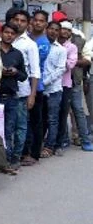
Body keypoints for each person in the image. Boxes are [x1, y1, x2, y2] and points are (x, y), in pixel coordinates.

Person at [6, 9, 41, 167]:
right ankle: (5, 157)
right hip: (5, 91)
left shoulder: (30, 45)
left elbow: (35, 72)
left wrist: (32, 95)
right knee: (6, 126)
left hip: (22, 91)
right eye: (16, 20)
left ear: (28, 24)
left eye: (22, 21)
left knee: (20, 127)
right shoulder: (6, 39)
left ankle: (17, 157)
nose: (18, 23)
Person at [0, 22, 28, 175]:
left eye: (12, 33)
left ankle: (7, 160)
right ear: (1, 33)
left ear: (15, 36)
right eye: (6, 32)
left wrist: (15, 72)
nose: (9, 35)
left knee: (9, 130)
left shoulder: (17, 54)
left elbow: (24, 76)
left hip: (11, 97)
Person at [23, 10, 50, 165]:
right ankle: (25, 151)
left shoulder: (43, 43)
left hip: (36, 86)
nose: (38, 23)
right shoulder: (27, 38)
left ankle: (34, 154)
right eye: (36, 20)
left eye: (42, 21)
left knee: (36, 121)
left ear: (45, 23)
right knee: (25, 122)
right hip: (23, 85)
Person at [42, 21, 68, 158]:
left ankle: (50, 146)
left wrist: (44, 81)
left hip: (53, 89)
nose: (53, 32)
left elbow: (60, 69)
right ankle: (39, 144)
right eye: (51, 29)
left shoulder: (61, 50)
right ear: (46, 29)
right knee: (41, 118)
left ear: (59, 33)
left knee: (52, 119)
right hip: (39, 89)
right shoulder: (40, 45)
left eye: (56, 30)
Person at [56, 21, 78, 154]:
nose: (64, 32)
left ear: (70, 33)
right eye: (62, 29)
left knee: (63, 113)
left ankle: (61, 141)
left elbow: (70, 65)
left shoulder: (72, 47)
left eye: (67, 30)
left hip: (65, 85)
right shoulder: (51, 44)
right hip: (51, 85)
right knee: (50, 114)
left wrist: (57, 60)